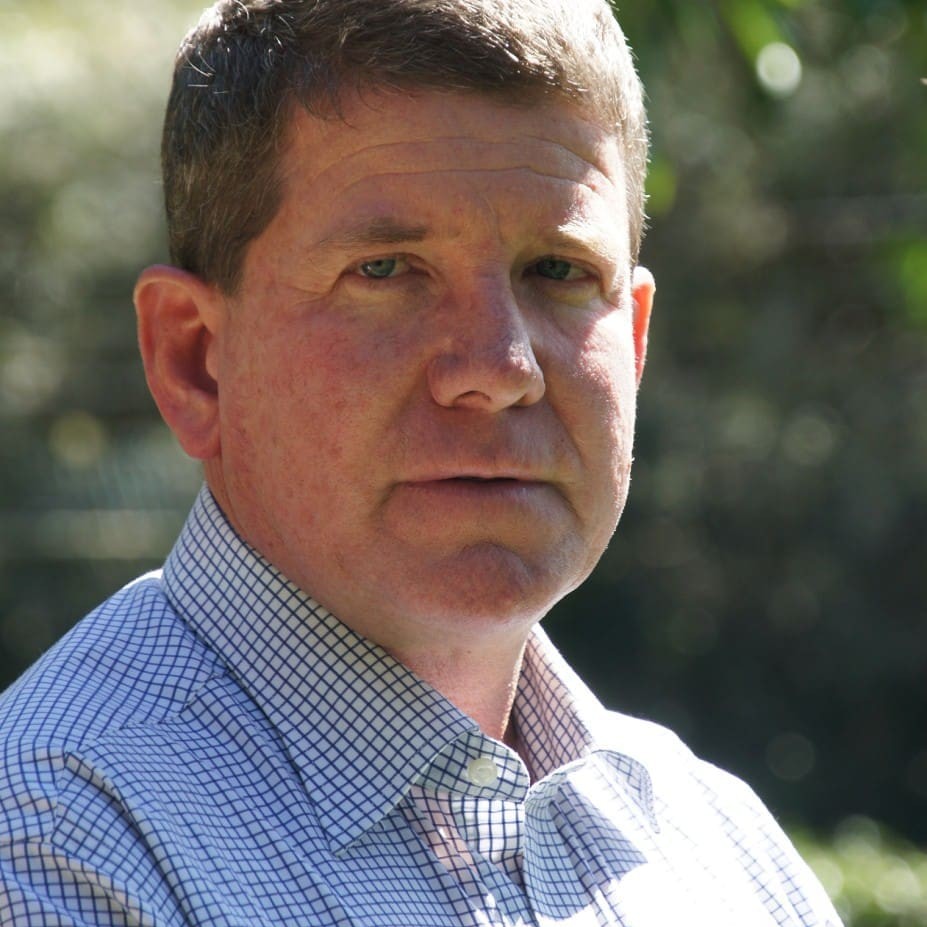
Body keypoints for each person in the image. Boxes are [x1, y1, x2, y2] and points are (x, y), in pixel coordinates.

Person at [0, 1, 842, 924]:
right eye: (388, 270)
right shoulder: (56, 837)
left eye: (557, 272)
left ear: (633, 343)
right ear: (194, 359)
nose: (497, 368)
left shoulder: (717, 845)